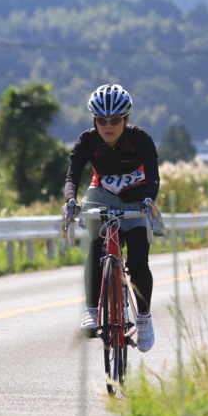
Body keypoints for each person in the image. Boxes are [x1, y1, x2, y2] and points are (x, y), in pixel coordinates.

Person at [63, 84, 161, 353]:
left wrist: (149, 200)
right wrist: (71, 200)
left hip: (137, 197)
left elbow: (153, 175)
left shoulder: (140, 139)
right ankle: (92, 311)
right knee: (95, 248)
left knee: (139, 258)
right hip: (102, 195)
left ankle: (144, 319)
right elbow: (72, 175)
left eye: (115, 120)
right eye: (102, 120)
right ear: (94, 120)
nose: (108, 126)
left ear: (126, 120)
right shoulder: (87, 141)